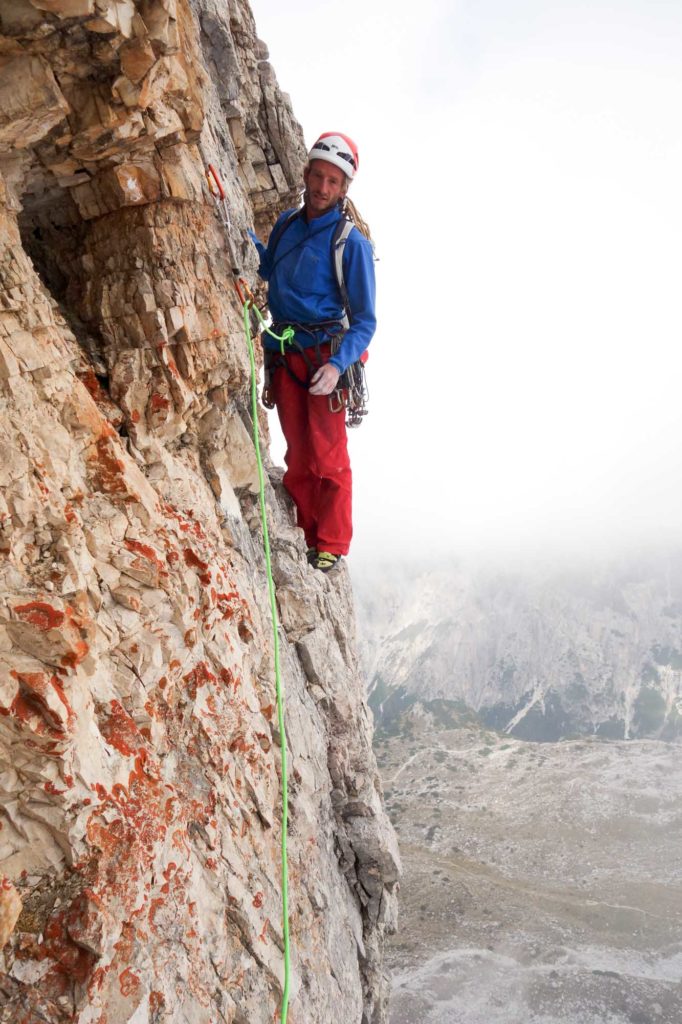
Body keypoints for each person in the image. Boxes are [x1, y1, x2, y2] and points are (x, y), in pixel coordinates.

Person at [249, 132, 376, 572]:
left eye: (333, 182)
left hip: (324, 357)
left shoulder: (349, 244)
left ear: (344, 189)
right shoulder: (286, 224)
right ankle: (306, 529)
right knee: (298, 453)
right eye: (318, 177)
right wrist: (243, 239)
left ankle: (332, 541)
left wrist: (339, 366)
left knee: (328, 455)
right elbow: (270, 269)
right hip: (286, 353)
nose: (323, 188)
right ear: (305, 175)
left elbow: (365, 322)